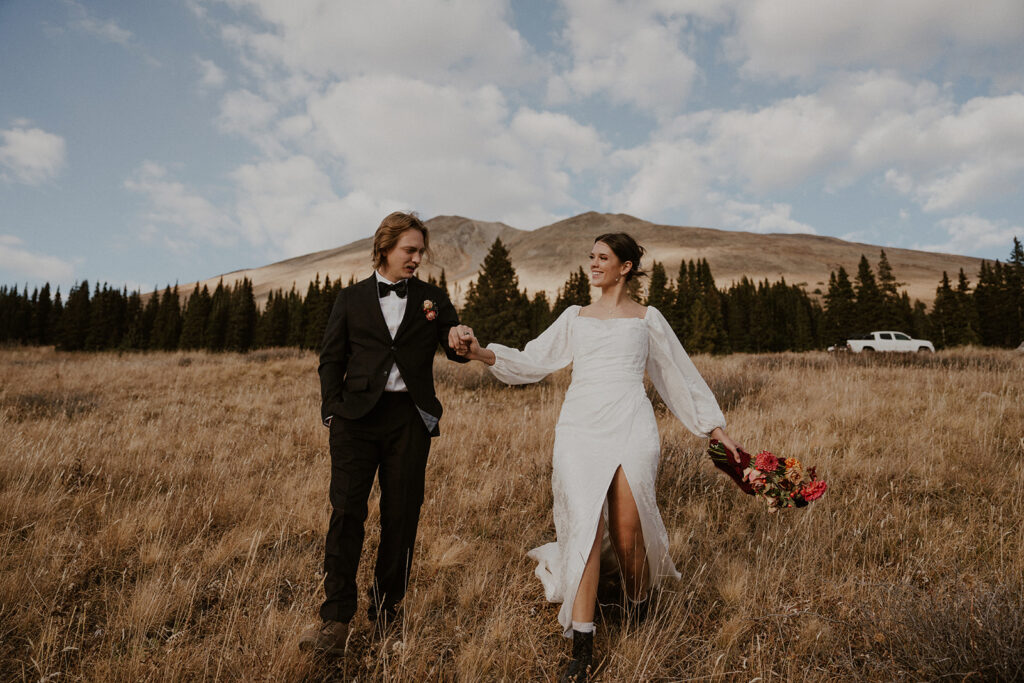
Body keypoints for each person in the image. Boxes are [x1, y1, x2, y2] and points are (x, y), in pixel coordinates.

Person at [451, 233, 742, 682]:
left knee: (628, 532)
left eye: (603, 258)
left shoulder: (648, 319)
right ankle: (582, 646)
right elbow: (533, 360)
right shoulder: (575, 318)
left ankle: (640, 613)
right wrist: (480, 353)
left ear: (625, 267)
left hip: (631, 425)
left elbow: (680, 378)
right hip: (580, 428)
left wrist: (715, 429)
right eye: (591, 257)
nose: (593, 264)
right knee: (587, 525)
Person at [299, 211, 469, 655]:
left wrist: (459, 337)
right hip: (355, 421)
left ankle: (387, 614)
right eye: (409, 250)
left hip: (408, 421)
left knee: (401, 517)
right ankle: (335, 619)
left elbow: (454, 343)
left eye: (420, 252)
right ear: (385, 248)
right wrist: (331, 411)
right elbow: (330, 358)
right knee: (346, 515)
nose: (417, 258)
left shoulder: (432, 298)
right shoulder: (350, 299)